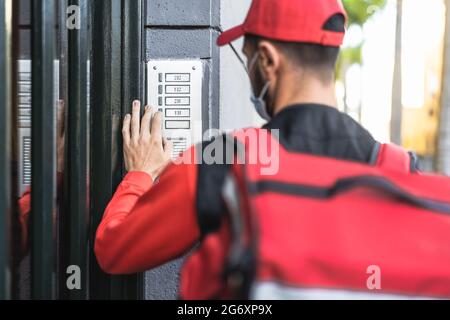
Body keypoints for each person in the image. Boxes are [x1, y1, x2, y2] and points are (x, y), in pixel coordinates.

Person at [95, 0, 450, 299]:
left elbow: (114, 251)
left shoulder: (222, 162)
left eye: (247, 57)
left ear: (266, 60)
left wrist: (140, 174)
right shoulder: (398, 169)